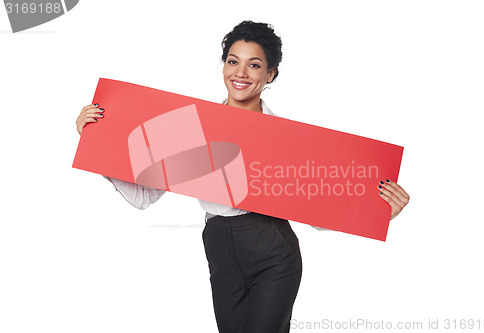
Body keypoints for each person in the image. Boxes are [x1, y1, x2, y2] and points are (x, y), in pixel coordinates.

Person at [75, 20, 410, 333]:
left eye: (254, 64)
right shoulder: (192, 126)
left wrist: (376, 211)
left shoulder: (286, 138)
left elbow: (320, 212)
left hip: (272, 250)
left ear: (271, 73)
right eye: (233, 61)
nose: (241, 73)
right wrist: (98, 142)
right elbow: (143, 196)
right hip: (219, 248)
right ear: (223, 66)